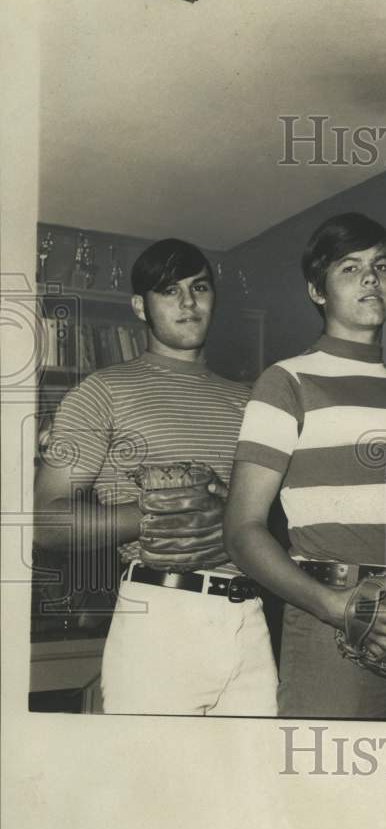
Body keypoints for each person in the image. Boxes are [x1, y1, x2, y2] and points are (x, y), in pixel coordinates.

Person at [224, 212, 386, 720]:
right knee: (327, 792)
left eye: (382, 266)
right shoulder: (286, 382)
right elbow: (242, 530)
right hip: (335, 618)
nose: (370, 277)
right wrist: (333, 606)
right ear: (317, 290)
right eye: (350, 268)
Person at [34, 238, 278, 716]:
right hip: (159, 615)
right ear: (139, 307)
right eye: (169, 291)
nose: (188, 303)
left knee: (250, 785)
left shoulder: (252, 400)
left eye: (199, 288)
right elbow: (45, 521)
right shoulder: (101, 392)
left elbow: (274, 522)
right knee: (154, 784)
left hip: (249, 614)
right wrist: (151, 512)